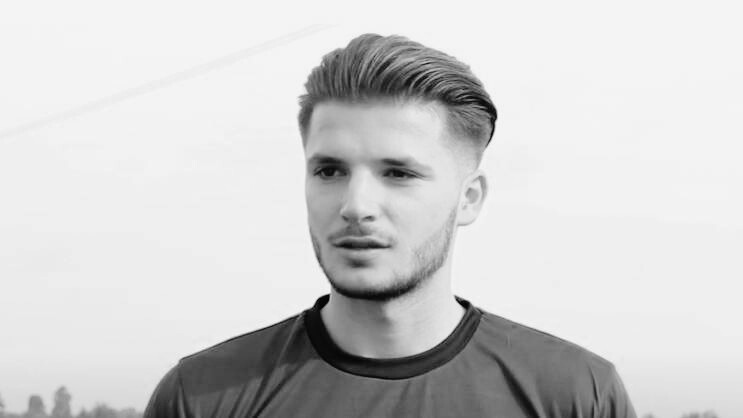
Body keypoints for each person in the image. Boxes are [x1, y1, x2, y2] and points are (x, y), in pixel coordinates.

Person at [144, 33, 637, 418]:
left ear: (468, 199)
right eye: (329, 171)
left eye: (398, 174)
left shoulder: (575, 395)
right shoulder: (201, 397)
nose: (355, 205)